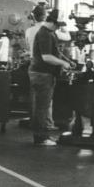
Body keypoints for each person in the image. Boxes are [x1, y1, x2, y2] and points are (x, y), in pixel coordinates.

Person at [28, 10, 75, 146]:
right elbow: (47, 57)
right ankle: (41, 138)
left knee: (43, 106)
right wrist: (63, 63)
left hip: (44, 74)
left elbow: (56, 51)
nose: (58, 28)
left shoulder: (50, 33)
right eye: (57, 25)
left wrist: (68, 60)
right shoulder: (44, 34)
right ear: (52, 22)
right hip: (42, 74)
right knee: (42, 107)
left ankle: (42, 136)